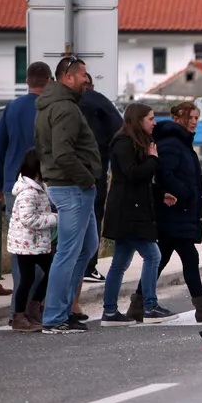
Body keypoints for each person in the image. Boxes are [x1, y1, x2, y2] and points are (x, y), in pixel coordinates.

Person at [139, 101, 202, 324]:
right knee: (188, 257)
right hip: (174, 211)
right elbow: (165, 174)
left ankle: (137, 302)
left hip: (178, 213)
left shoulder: (180, 142)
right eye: (191, 118)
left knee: (161, 258)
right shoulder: (172, 143)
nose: (195, 122)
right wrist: (186, 194)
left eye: (197, 118)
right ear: (178, 118)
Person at [33, 56, 103, 333]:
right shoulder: (65, 109)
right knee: (67, 252)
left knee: (86, 248)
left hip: (72, 187)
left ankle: (64, 311)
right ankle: (54, 317)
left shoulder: (59, 105)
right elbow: (63, 154)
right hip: (73, 188)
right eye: (83, 75)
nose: (87, 79)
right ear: (68, 77)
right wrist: (87, 179)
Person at [99, 103, 177, 324]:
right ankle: (149, 307)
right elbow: (132, 175)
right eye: (150, 119)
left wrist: (160, 193)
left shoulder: (136, 142)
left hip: (132, 211)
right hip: (128, 213)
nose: (154, 123)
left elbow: (139, 181)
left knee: (120, 263)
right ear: (138, 120)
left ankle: (110, 311)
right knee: (153, 256)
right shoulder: (123, 143)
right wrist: (153, 159)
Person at [0, 60, 51, 298]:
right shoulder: (50, 108)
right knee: (42, 247)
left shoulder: (12, 107)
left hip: (13, 185)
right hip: (42, 186)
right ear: (49, 81)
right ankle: (34, 305)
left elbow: (0, 147)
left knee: (20, 247)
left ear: (27, 81)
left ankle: (18, 308)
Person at [79, 72, 124, 284]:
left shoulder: (60, 103)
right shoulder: (98, 101)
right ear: (91, 85)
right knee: (94, 216)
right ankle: (89, 266)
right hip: (95, 169)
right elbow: (119, 128)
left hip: (62, 173)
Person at [6, 149, 56, 332]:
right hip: (26, 244)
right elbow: (29, 219)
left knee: (52, 271)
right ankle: (18, 316)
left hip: (36, 243)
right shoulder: (28, 192)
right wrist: (55, 219)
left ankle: (33, 307)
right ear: (38, 168)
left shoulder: (39, 187)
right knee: (26, 280)